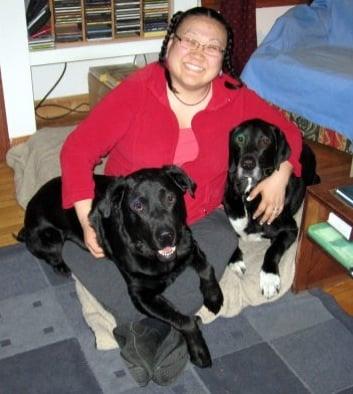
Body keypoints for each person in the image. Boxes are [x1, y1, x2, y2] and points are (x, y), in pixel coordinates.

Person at [60, 6, 303, 386]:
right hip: (134, 216)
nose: (198, 52)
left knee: (221, 241)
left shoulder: (235, 97)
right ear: (170, 44)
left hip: (201, 215)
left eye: (213, 47)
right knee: (82, 247)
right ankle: (161, 327)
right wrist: (84, 215)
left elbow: (289, 132)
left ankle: (144, 330)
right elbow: (76, 151)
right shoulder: (138, 89)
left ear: (223, 61)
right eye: (189, 40)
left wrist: (282, 172)